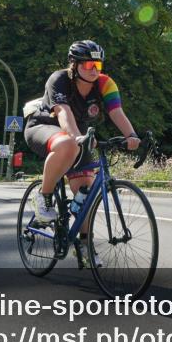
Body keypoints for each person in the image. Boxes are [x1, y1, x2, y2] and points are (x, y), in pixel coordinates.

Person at [24, 40, 140, 227]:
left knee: (86, 197)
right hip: (44, 125)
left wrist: (132, 135)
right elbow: (63, 111)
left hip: (79, 133)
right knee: (67, 144)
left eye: (97, 65)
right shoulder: (59, 79)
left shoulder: (105, 83)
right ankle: (43, 197)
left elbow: (116, 111)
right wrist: (77, 137)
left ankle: (85, 242)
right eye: (88, 64)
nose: (94, 69)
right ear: (74, 64)